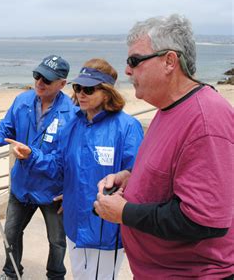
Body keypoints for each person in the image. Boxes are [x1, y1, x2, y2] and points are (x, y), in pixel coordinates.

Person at [94, 14, 234, 279]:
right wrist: (130, 179)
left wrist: (125, 213)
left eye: (134, 61)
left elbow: (204, 220)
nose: (127, 70)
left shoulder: (206, 119)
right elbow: (175, 175)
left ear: (170, 61)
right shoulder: (169, 109)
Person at [0, 55, 76, 279]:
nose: (39, 82)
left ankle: (56, 276)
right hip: (22, 186)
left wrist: (32, 156)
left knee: (56, 241)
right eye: (37, 75)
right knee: (11, 234)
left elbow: (66, 161)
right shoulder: (22, 101)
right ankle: (11, 273)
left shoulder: (72, 114)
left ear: (62, 84)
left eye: (47, 79)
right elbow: (4, 131)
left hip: (52, 192)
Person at [57, 59, 143, 279]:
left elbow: (137, 176)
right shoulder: (73, 124)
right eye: (77, 88)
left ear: (106, 92)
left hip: (106, 227)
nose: (81, 94)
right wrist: (31, 156)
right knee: (79, 275)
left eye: (88, 89)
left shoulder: (127, 127)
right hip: (75, 223)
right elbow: (59, 165)